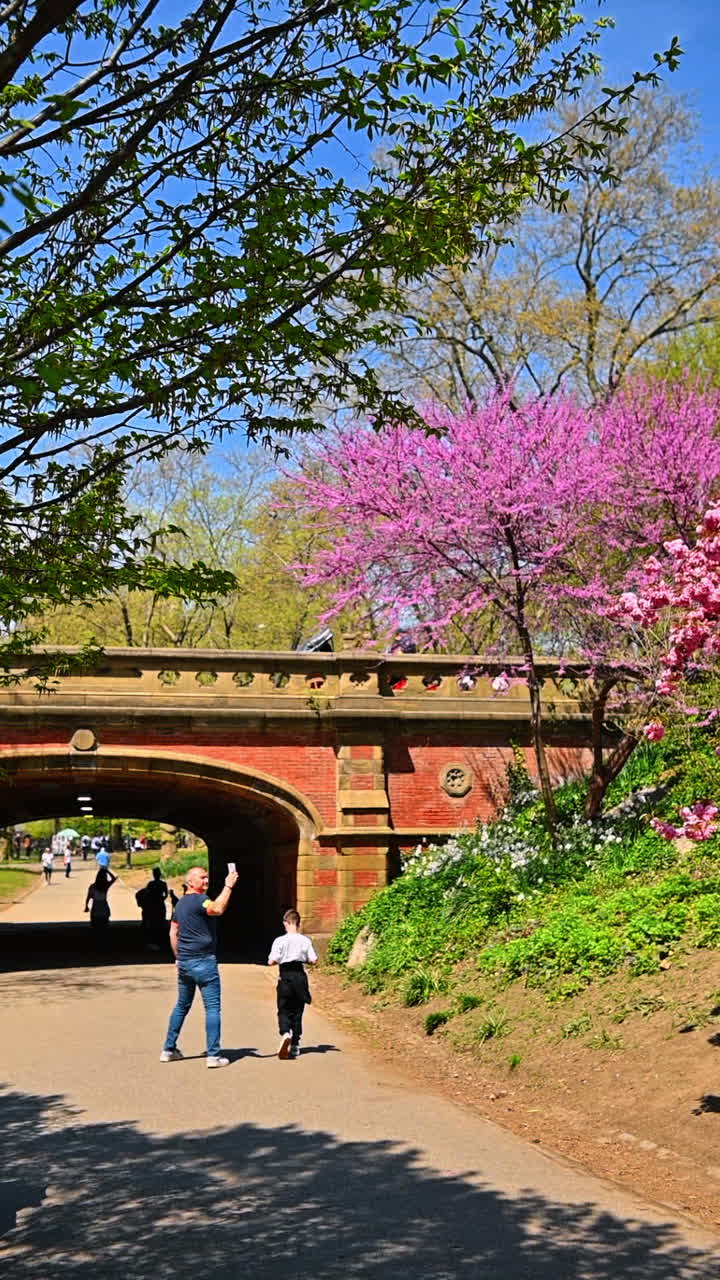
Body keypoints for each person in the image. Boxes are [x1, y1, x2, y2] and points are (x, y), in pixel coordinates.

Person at [160, 864, 238, 1068]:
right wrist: (228, 886)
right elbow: (217, 908)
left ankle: (168, 1050)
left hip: (185, 963)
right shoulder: (201, 900)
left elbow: (172, 933)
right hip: (204, 961)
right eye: (202, 878)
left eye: (206, 877)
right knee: (212, 1008)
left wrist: (178, 957)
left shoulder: (180, 905)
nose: (206, 880)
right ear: (190, 882)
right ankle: (213, 1056)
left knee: (181, 1006)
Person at [268, 908, 317, 1060]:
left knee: (283, 1008)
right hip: (300, 976)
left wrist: (277, 960)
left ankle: (285, 1033)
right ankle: (295, 1044)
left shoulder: (280, 941)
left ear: (285, 923)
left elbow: (271, 961)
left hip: (286, 976)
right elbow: (313, 960)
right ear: (298, 923)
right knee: (297, 1011)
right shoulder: (305, 940)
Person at [136, 866, 169, 949]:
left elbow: (146, 893)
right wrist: (161, 899)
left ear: (154, 875)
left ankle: (151, 941)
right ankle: (161, 941)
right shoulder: (163, 884)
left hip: (152, 905)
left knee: (152, 922)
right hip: (160, 905)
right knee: (160, 922)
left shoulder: (151, 884)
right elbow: (166, 895)